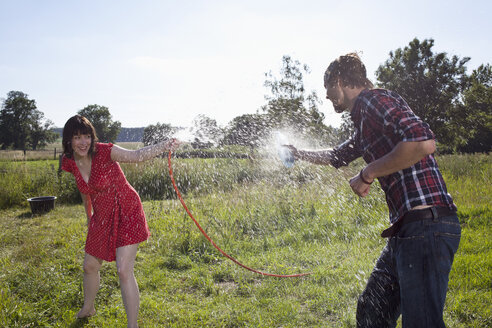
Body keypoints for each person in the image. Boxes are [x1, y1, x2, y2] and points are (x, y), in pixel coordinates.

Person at [287, 53, 461, 327]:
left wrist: (368, 173)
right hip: (406, 232)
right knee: (372, 314)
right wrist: (298, 153)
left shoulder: (374, 100)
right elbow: (337, 155)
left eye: (327, 88)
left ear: (339, 81)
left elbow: (423, 143)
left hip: (427, 227)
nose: (326, 96)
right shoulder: (363, 120)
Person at [61, 115, 178, 328]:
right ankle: (89, 307)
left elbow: (138, 155)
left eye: (87, 136)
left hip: (127, 210)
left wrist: (164, 145)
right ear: (68, 140)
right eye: (77, 137)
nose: (83, 142)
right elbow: (84, 191)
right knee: (89, 266)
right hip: (102, 215)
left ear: (92, 137)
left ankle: (132, 326)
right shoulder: (69, 161)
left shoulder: (105, 151)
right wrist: (89, 217)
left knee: (124, 270)